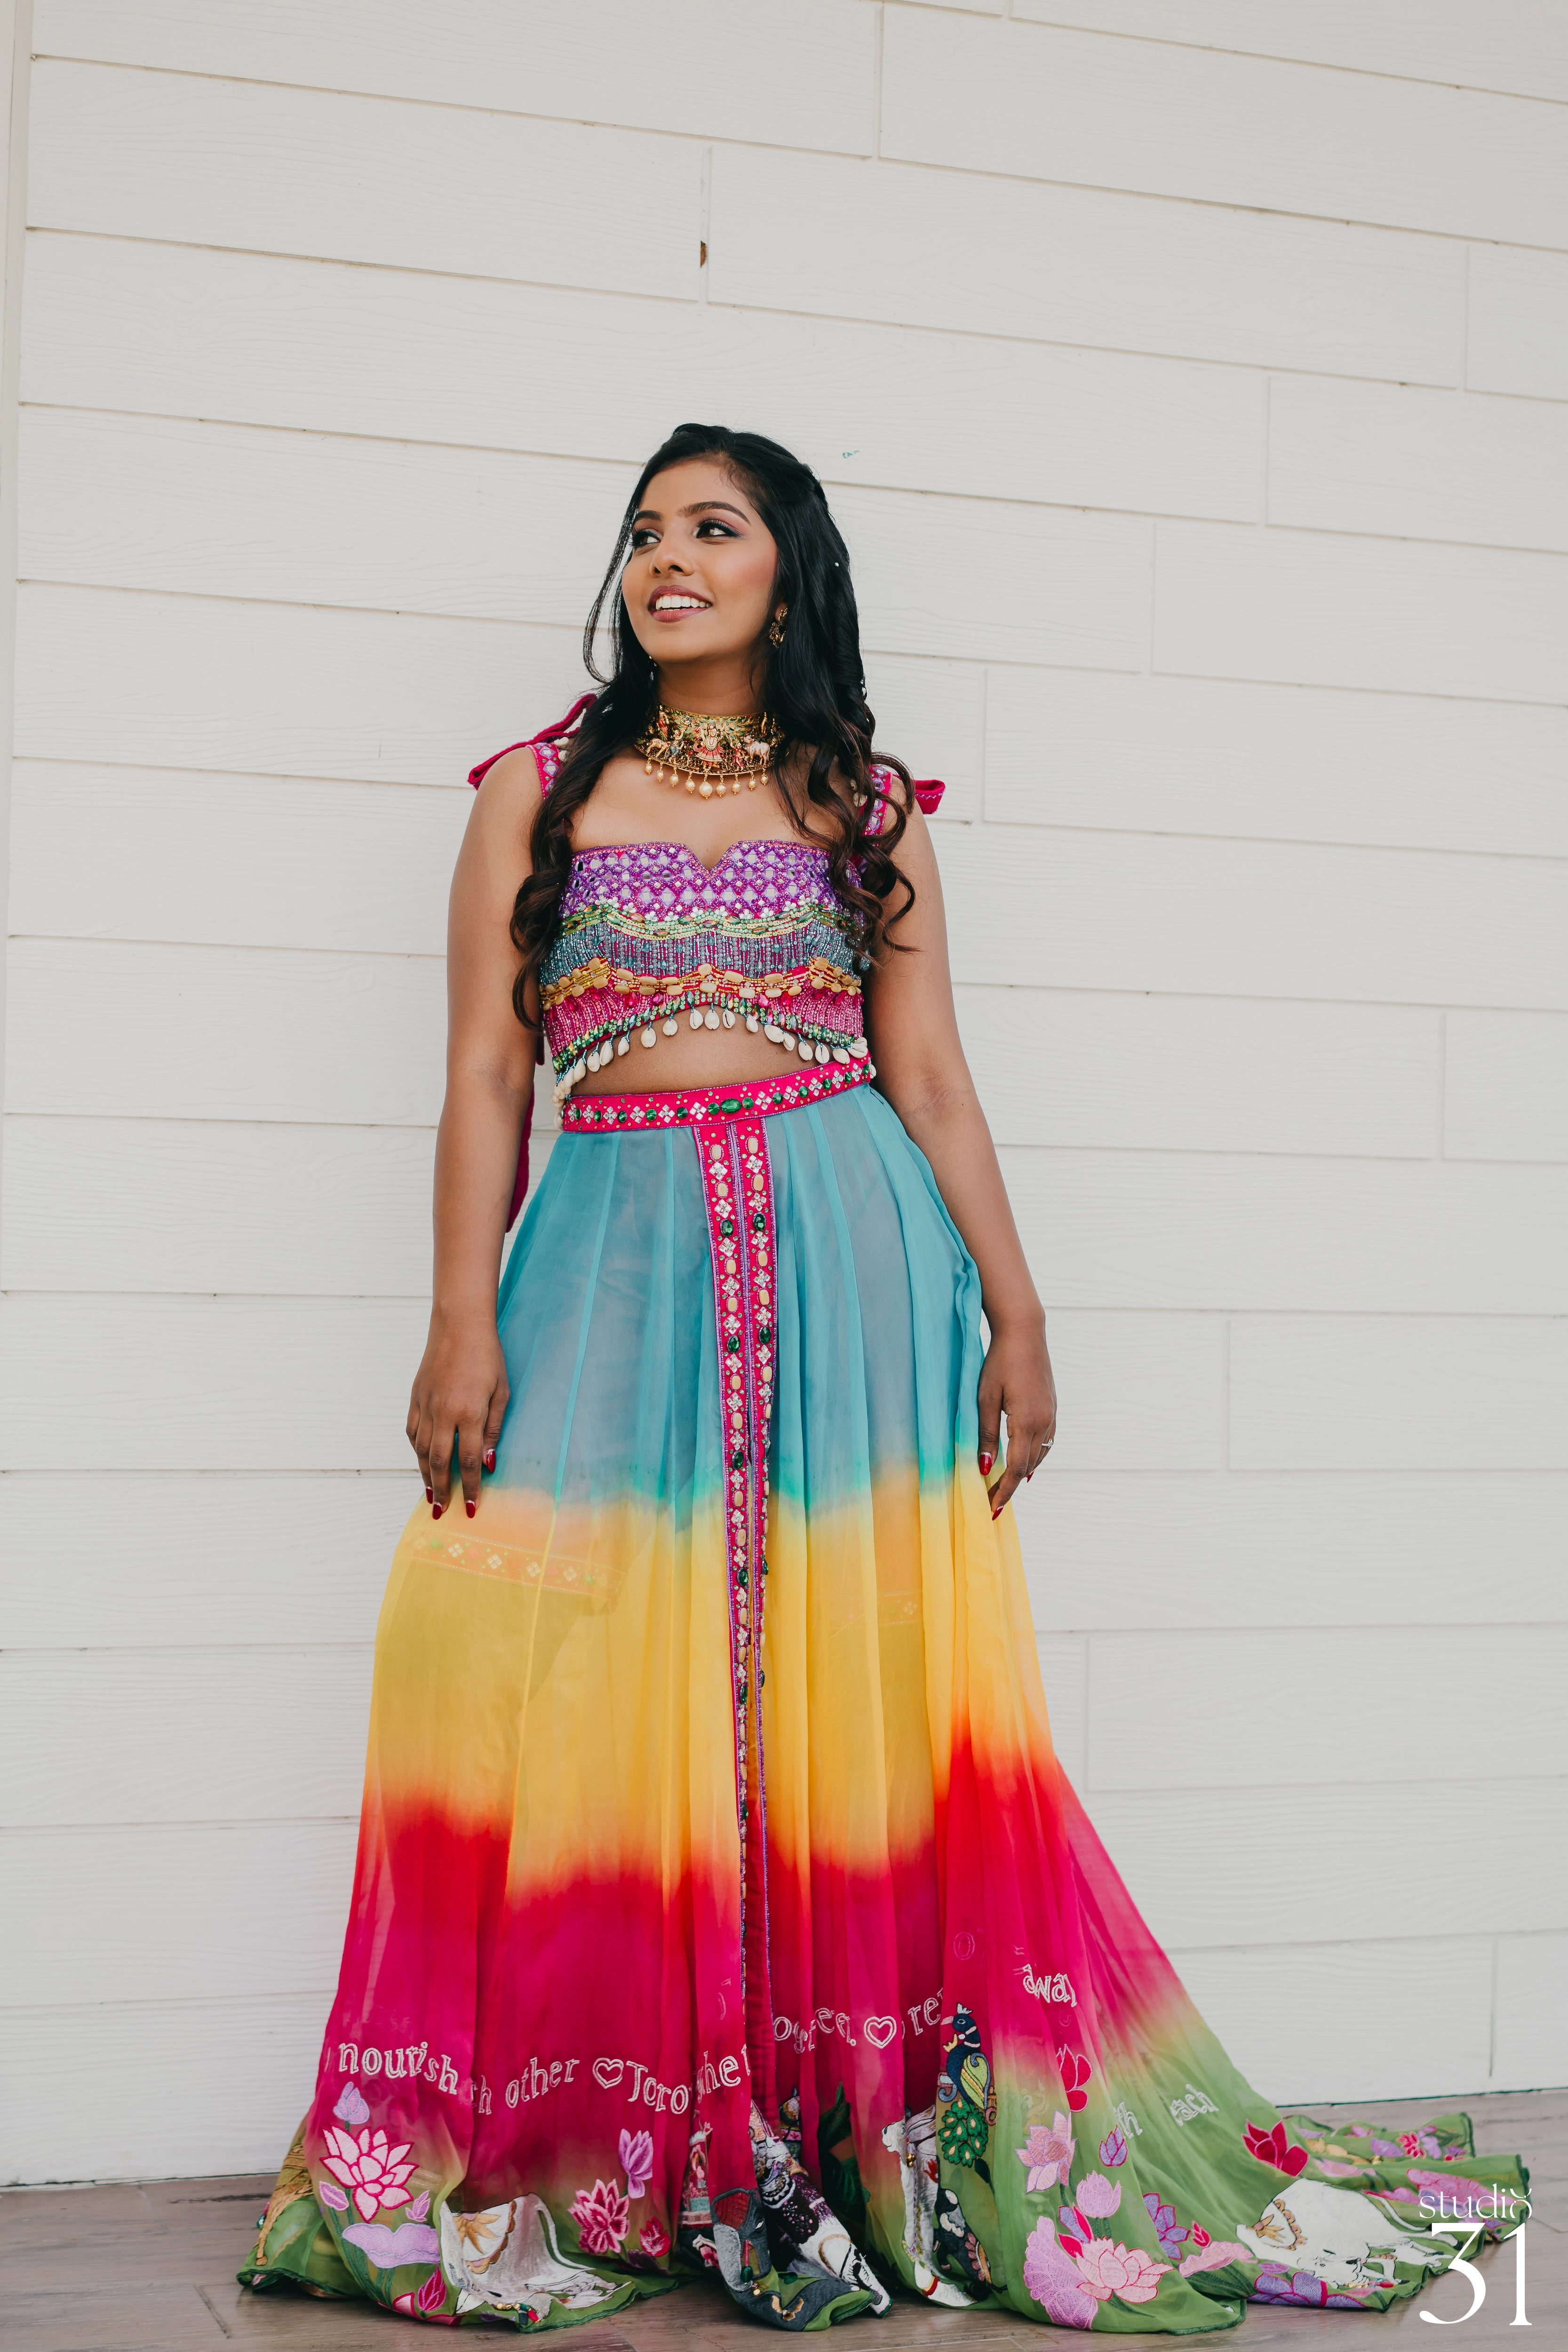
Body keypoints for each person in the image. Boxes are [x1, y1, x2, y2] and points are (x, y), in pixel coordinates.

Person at [241, 427, 1525, 2332]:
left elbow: (930, 1076)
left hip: (852, 1260)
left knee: (840, 1692)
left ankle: (845, 2125)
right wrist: (457, 1314)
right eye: (648, 531)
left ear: (790, 569)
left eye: (715, 526)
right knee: (537, 1663)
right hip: (609, 1264)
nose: (669, 556)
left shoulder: (865, 804)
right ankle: (613, 2129)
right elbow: (489, 1076)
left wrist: (1018, 1308)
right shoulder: (534, 791)